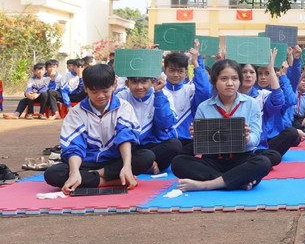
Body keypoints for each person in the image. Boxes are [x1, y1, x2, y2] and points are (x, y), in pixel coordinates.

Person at [44, 64, 154, 193]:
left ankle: (96, 176)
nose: (100, 96)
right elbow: (74, 146)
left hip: (115, 161)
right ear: (85, 88)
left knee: (146, 157)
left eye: (105, 91)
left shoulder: (124, 107)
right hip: (86, 161)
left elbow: (125, 136)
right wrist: (74, 172)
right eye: (94, 92)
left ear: (114, 86)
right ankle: (108, 181)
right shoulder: (76, 112)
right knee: (53, 174)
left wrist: (126, 166)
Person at [171, 59, 272, 191]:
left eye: (235, 78)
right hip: (213, 160)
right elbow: (200, 146)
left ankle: (207, 185)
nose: (230, 83)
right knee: (178, 162)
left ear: (239, 81)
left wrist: (247, 139)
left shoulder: (252, 104)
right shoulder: (204, 107)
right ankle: (237, 181)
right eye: (224, 78)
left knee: (263, 163)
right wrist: (197, 138)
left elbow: (256, 139)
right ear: (214, 81)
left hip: (241, 158)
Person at [116, 73, 181, 174]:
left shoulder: (165, 94)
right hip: (131, 148)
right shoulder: (121, 97)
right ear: (127, 83)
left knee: (174, 145)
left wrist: (158, 94)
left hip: (155, 146)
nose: (139, 87)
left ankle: (147, 163)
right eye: (134, 81)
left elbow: (166, 124)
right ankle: (147, 164)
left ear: (152, 82)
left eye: (144, 81)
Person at [162, 40, 212, 155]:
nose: (176, 75)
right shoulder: (159, 91)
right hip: (165, 142)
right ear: (165, 71)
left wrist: (196, 62)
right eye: (172, 70)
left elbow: (205, 91)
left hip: (188, 141)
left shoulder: (190, 90)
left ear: (186, 73)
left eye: (180, 71)